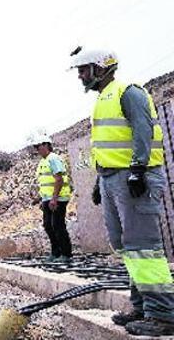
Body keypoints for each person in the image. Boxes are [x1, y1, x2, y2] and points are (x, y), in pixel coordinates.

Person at [71, 47, 174, 336]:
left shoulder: (128, 92)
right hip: (113, 179)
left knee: (144, 247)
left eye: (84, 69)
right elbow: (110, 145)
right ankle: (142, 307)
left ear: (102, 67)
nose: (80, 75)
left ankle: (163, 314)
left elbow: (144, 131)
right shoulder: (103, 99)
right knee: (127, 246)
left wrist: (139, 169)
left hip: (134, 178)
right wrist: (99, 181)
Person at [30, 133, 73, 262]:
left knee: (57, 225)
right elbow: (46, 182)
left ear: (46, 145)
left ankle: (66, 254)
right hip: (47, 198)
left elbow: (58, 179)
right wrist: (40, 198)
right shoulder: (43, 162)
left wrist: (54, 199)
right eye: (36, 147)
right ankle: (56, 252)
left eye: (39, 146)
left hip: (58, 198)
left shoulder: (53, 158)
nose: (37, 150)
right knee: (48, 225)